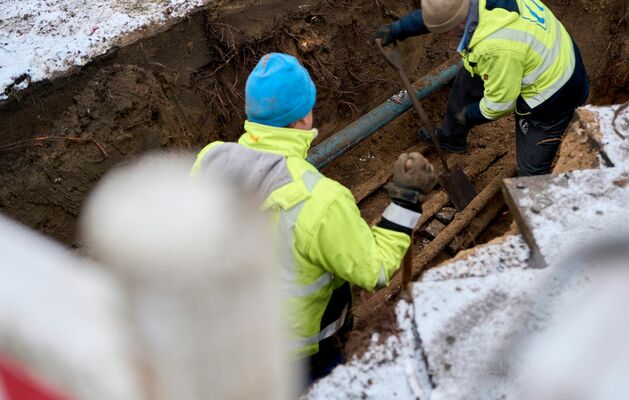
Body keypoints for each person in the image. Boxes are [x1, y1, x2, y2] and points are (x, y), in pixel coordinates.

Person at [191, 53, 436, 382]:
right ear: (304, 118)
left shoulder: (211, 159)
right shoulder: (320, 198)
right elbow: (373, 270)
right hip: (302, 355)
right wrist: (406, 202)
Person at [375, 0, 590, 176]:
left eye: (442, 31)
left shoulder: (496, 46)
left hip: (555, 94)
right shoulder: (469, 7)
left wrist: (469, 115)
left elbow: (500, 103)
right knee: (466, 78)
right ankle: (452, 138)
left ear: (455, 27)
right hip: (545, 52)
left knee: (531, 167)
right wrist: (399, 29)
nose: (440, 34)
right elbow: (442, 13)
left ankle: (534, 213)